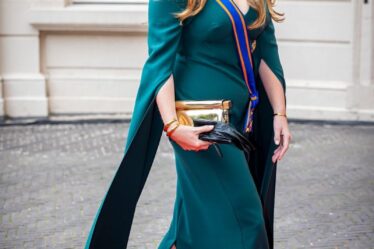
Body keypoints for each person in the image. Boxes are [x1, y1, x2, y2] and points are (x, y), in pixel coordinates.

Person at [84, 0, 292, 248]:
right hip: (201, 121)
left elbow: (267, 53)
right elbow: (160, 65)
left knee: (188, 230)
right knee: (246, 219)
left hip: (243, 117)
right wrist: (173, 126)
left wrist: (279, 113)